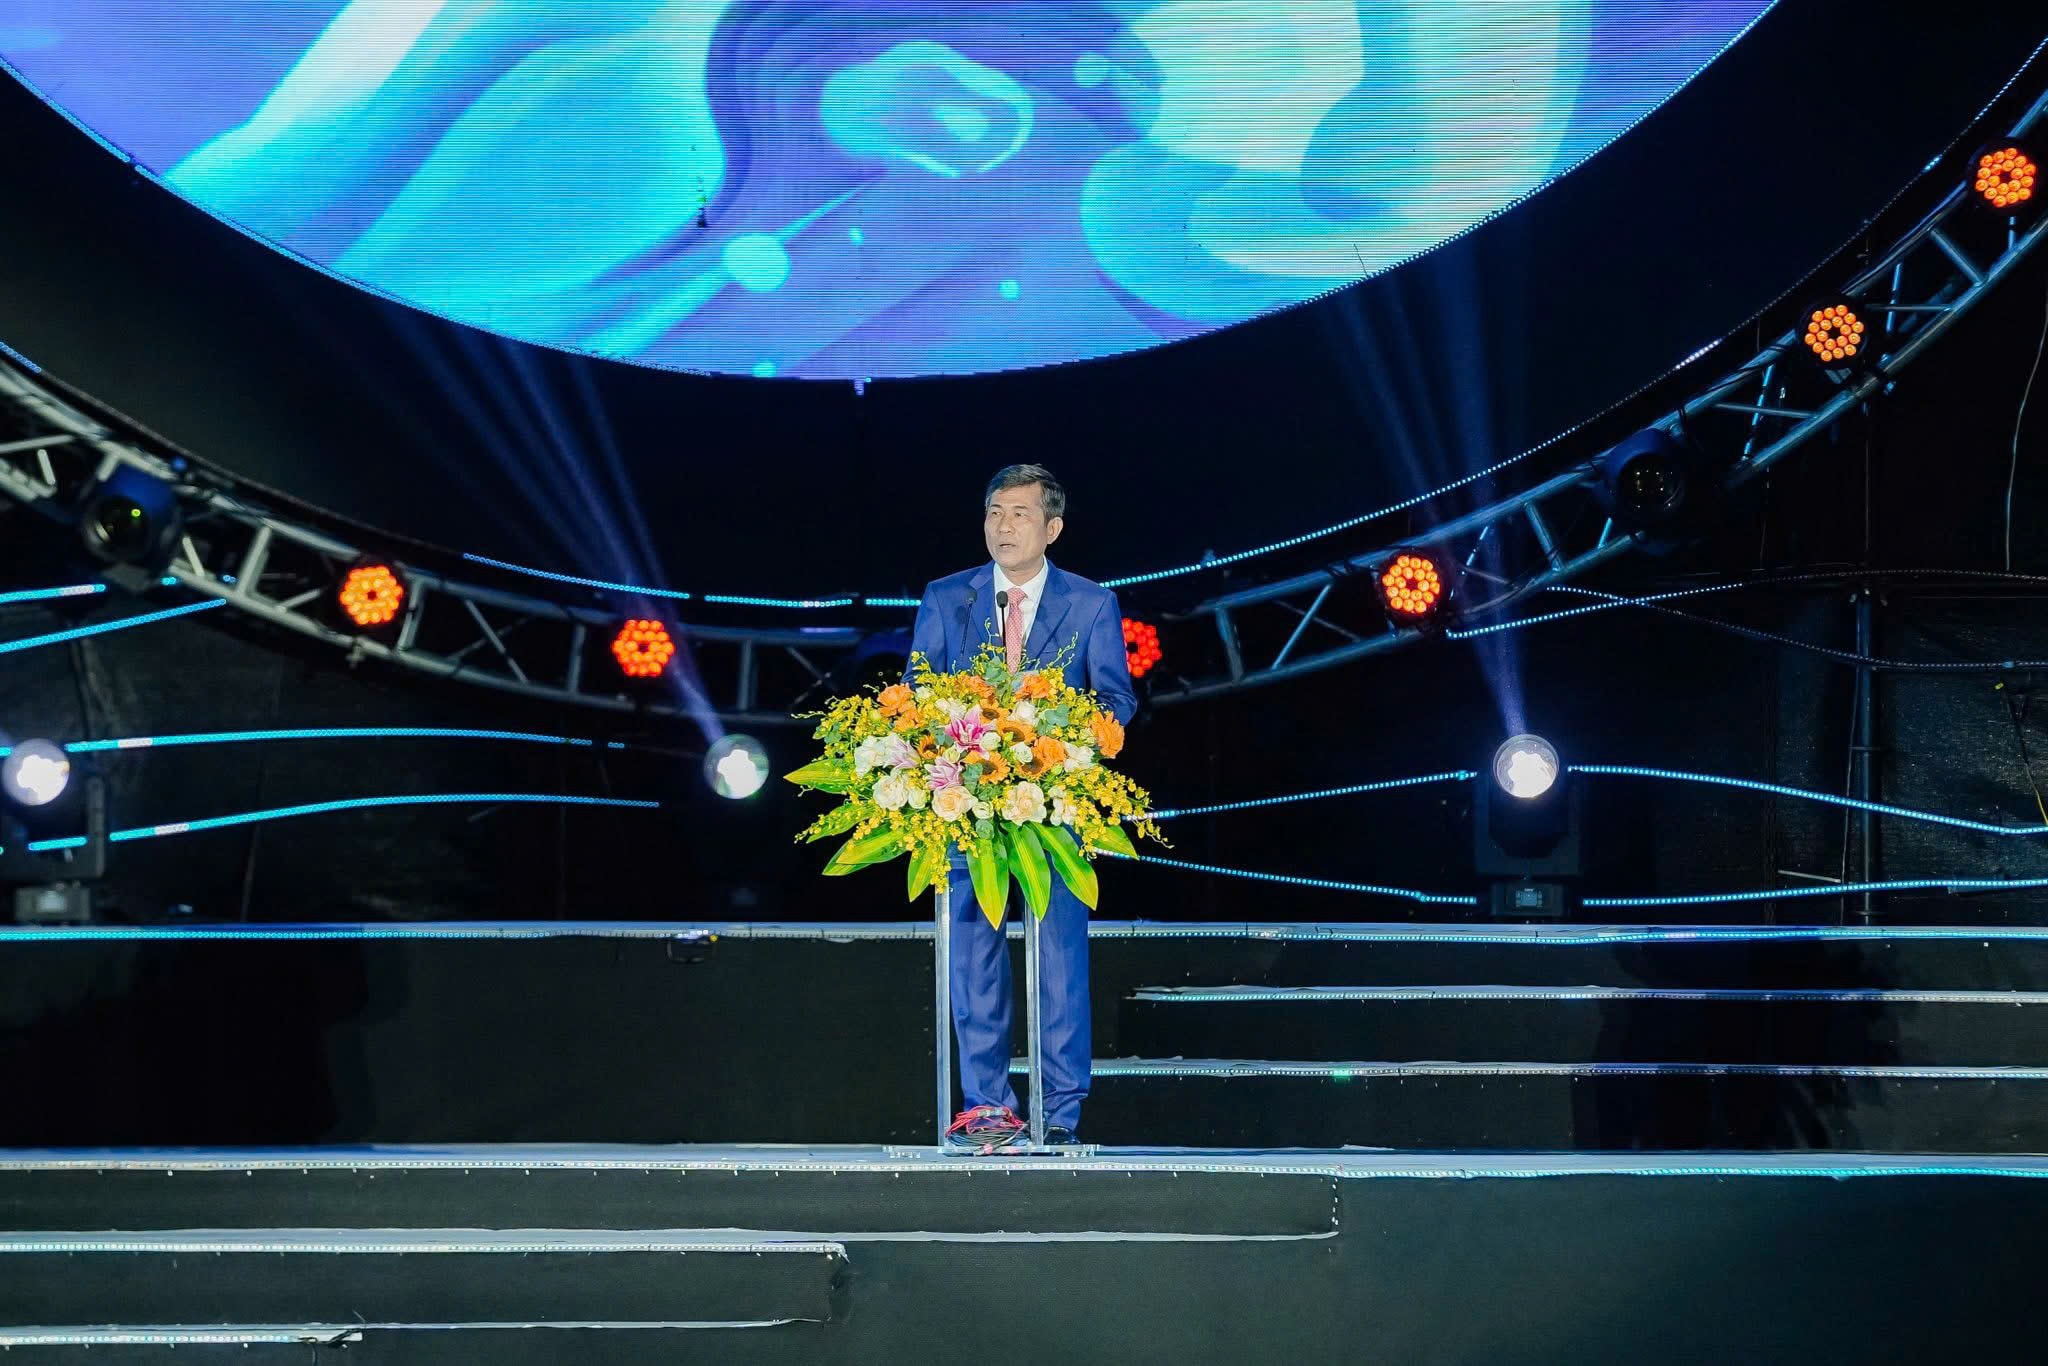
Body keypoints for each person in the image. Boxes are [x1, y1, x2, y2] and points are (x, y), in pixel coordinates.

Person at [908, 464, 1137, 1150]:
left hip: (1052, 807)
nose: (1003, 527)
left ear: (1052, 528)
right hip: (968, 805)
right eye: (994, 513)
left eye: (1019, 514)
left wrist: (1061, 740)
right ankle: (987, 1107)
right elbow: (917, 690)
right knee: (974, 957)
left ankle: (1059, 1108)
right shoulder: (947, 597)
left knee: (1059, 956)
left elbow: (1116, 699)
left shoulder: (1091, 603)